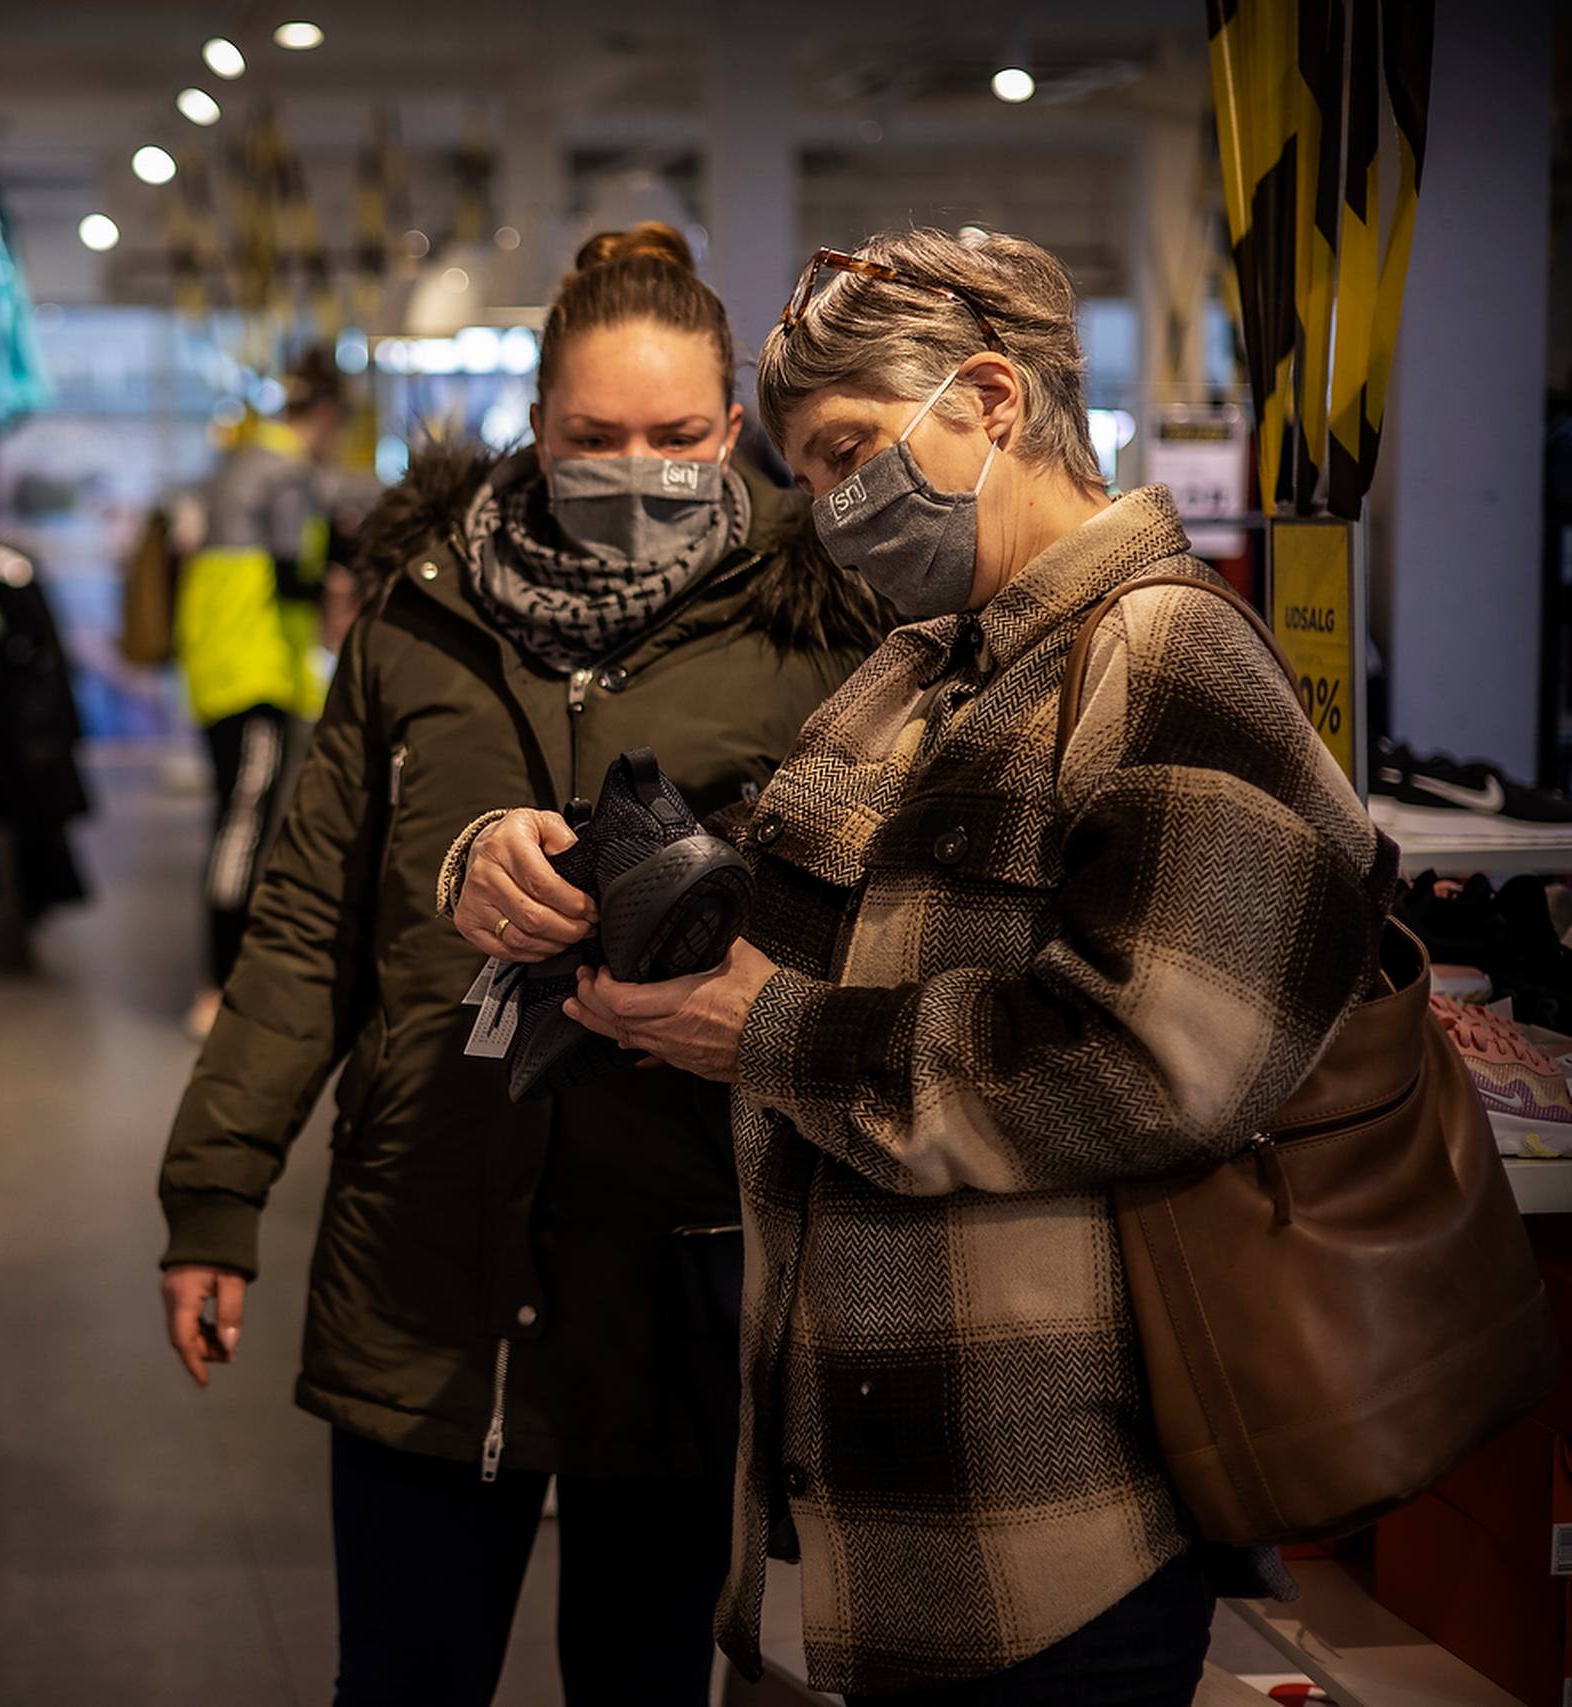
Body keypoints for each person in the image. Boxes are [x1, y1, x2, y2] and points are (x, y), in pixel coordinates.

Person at [470, 227, 1398, 1705]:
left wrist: (768, 1032)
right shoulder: (922, 667)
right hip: (860, 1508)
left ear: (989, 398)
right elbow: (799, 929)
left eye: (850, 451)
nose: (833, 508)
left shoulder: (1168, 657)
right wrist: (565, 885)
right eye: (810, 470)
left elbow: (1156, 1061)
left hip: (1046, 1520)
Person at [157, 222, 881, 1707]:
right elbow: (306, 922)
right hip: (433, 1231)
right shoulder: (420, 619)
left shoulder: (818, 627)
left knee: (645, 1672)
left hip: (678, 1244)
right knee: (407, 1674)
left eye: (677, 436)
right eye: (592, 436)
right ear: (533, 426)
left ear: (734, 427)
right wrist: (214, 1194)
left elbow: (872, 922)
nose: (636, 466)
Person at [173, 351, 350, 1038]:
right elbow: (290, 577)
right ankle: (220, 984)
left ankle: (224, 980)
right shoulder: (287, 473)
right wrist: (341, 585)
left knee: (236, 822)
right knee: (243, 828)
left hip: (222, 666)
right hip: (256, 670)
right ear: (328, 416)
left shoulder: (240, 461)